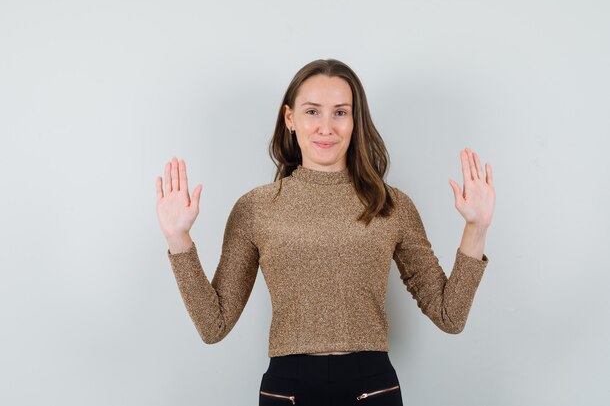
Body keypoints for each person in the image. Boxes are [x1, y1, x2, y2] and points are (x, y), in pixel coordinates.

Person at [155, 58, 495, 406]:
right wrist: (178, 239)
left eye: (340, 112)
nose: (326, 127)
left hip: (372, 387)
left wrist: (476, 227)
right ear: (290, 118)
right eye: (313, 111)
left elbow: (450, 316)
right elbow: (214, 325)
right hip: (287, 389)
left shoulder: (391, 205)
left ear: (355, 120)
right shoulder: (256, 208)